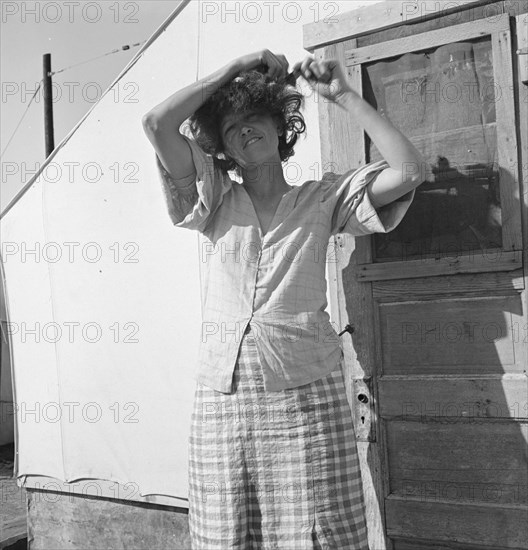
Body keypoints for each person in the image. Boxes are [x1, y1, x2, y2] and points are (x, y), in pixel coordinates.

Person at [142, 50, 424, 550]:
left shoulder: (323, 199)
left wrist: (343, 96)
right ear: (222, 148)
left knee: (319, 524)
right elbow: (157, 122)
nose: (245, 130)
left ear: (280, 127)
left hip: (304, 390)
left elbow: (409, 169)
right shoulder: (213, 198)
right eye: (231, 128)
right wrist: (232, 69)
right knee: (229, 522)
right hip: (224, 395)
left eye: (254, 118)